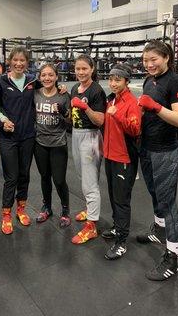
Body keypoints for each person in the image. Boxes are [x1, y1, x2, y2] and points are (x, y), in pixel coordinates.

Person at [136, 40, 178, 281]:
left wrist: (155, 107)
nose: (149, 64)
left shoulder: (176, 82)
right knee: (155, 193)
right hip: (146, 147)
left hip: (165, 151)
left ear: (166, 57)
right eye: (146, 60)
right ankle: (158, 230)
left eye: (153, 59)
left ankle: (172, 258)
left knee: (168, 202)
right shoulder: (149, 80)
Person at [0, 47, 39, 235]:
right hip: (8, 137)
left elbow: (49, 88)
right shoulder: (0, 82)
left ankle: (21, 210)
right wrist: (2, 124)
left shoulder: (32, 81)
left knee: (24, 175)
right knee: (11, 177)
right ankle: (6, 215)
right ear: (9, 61)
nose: (19, 63)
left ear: (27, 63)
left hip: (28, 136)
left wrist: (60, 87)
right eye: (15, 60)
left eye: (23, 60)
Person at [102, 63, 141, 260]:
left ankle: (122, 242)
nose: (113, 83)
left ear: (126, 81)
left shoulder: (131, 103)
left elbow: (135, 130)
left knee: (122, 200)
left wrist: (117, 114)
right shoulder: (112, 100)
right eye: (111, 79)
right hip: (110, 156)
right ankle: (117, 228)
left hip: (124, 158)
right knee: (113, 196)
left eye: (117, 79)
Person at [70, 54, 106, 244]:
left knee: (90, 182)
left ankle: (92, 226)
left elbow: (100, 120)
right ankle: (89, 209)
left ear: (92, 69)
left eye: (85, 68)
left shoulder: (96, 90)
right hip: (76, 134)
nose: (81, 72)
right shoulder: (75, 88)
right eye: (78, 69)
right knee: (82, 177)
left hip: (91, 136)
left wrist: (85, 108)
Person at [34, 64, 71, 228]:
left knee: (59, 179)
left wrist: (62, 113)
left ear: (56, 77)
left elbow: (70, 122)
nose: (47, 78)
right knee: (44, 177)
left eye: (50, 75)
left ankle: (65, 210)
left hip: (58, 143)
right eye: (44, 75)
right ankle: (47, 207)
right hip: (40, 143)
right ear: (40, 77)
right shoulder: (35, 94)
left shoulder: (64, 96)